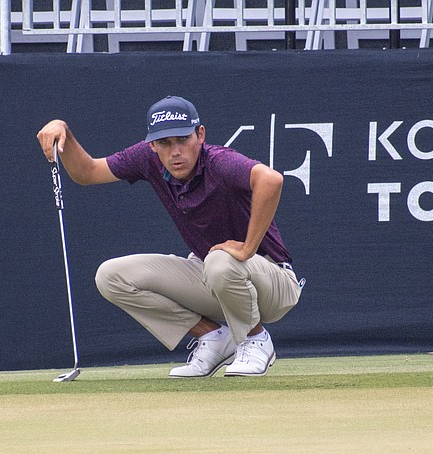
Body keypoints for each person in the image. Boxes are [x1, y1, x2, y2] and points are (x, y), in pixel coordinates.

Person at [36, 95, 303, 378]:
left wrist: (249, 248)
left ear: (200, 135)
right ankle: (214, 338)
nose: (175, 151)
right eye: (164, 143)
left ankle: (255, 339)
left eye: (182, 139)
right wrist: (62, 129)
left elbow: (270, 180)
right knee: (110, 276)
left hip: (272, 283)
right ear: (152, 145)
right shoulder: (147, 159)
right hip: (214, 277)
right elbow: (87, 172)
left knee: (219, 261)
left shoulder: (219, 161)